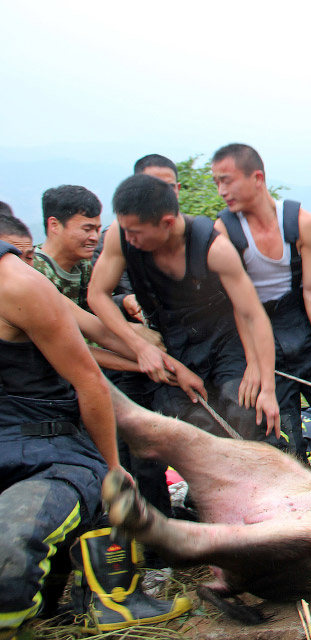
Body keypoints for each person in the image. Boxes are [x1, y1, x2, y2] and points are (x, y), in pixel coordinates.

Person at [0, 242, 191, 637]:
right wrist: (141, 352)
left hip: (49, 446)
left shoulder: (20, 285)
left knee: (11, 547)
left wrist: (112, 470)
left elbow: (88, 368)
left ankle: (113, 597)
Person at [88, 173, 281, 442]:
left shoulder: (214, 249)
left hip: (223, 337)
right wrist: (140, 346)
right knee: (194, 426)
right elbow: (97, 296)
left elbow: (253, 314)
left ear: (166, 223)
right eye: (125, 229)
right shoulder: (121, 236)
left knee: (247, 412)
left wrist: (266, 384)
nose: (128, 238)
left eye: (135, 232)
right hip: (169, 339)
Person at [211, 143, 311, 453]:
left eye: (227, 180)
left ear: (257, 178)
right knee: (283, 447)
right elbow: (241, 308)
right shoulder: (226, 232)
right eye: (216, 182)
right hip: (261, 335)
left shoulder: (302, 223)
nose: (221, 190)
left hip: (303, 327)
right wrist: (254, 364)